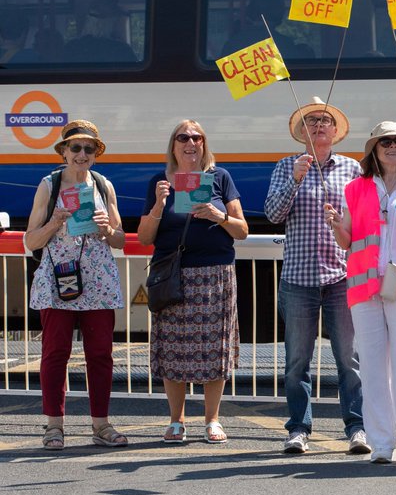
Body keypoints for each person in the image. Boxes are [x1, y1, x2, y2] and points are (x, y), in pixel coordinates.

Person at [326, 122, 396, 464]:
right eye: (385, 142)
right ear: (374, 149)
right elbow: (348, 241)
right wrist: (336, 226)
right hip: (364, 284)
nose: (392, 147)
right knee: (372, 367)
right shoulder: (355, 188)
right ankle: (382, 443)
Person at [264, 98, 367, 454]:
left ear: (335, 131)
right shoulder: (285, 166)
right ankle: (299, 429)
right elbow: (274, 214)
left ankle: (356, 427)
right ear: (301, 132)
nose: (319, 125)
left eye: (325, 120)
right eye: (312, 121)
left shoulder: (352, 169)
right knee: (297, 362)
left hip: (340, 276)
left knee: (349, 360)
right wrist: (295, 179)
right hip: (298, 278)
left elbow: (364, 218)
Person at [137, 120, 248, 444]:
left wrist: (218, 216)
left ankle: (212, 420)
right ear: (173, 145)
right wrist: (159, 203)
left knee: (214, 350)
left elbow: (241, 230)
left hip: (215, 274)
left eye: (197, 137)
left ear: (204, 144)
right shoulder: (158, 181)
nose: (190, 143)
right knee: (173, 350)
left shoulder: (220, 178)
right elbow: (144, 237)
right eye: (183, 137)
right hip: (173, 276)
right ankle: (176, 421)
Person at [24, 121, 127, 450]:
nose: (82, 154)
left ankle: (101, 424)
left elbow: (121, 239)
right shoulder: (49, 185)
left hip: (97, 281)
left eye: (89, 149)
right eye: (75, 148)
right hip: (58, 280)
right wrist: (55, 221)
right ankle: (54, 425)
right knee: (55, 354)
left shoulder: (102, 185)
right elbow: (30, 240)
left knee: (101, 355)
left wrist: (106, 229)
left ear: (95, 155)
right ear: (64, 152)